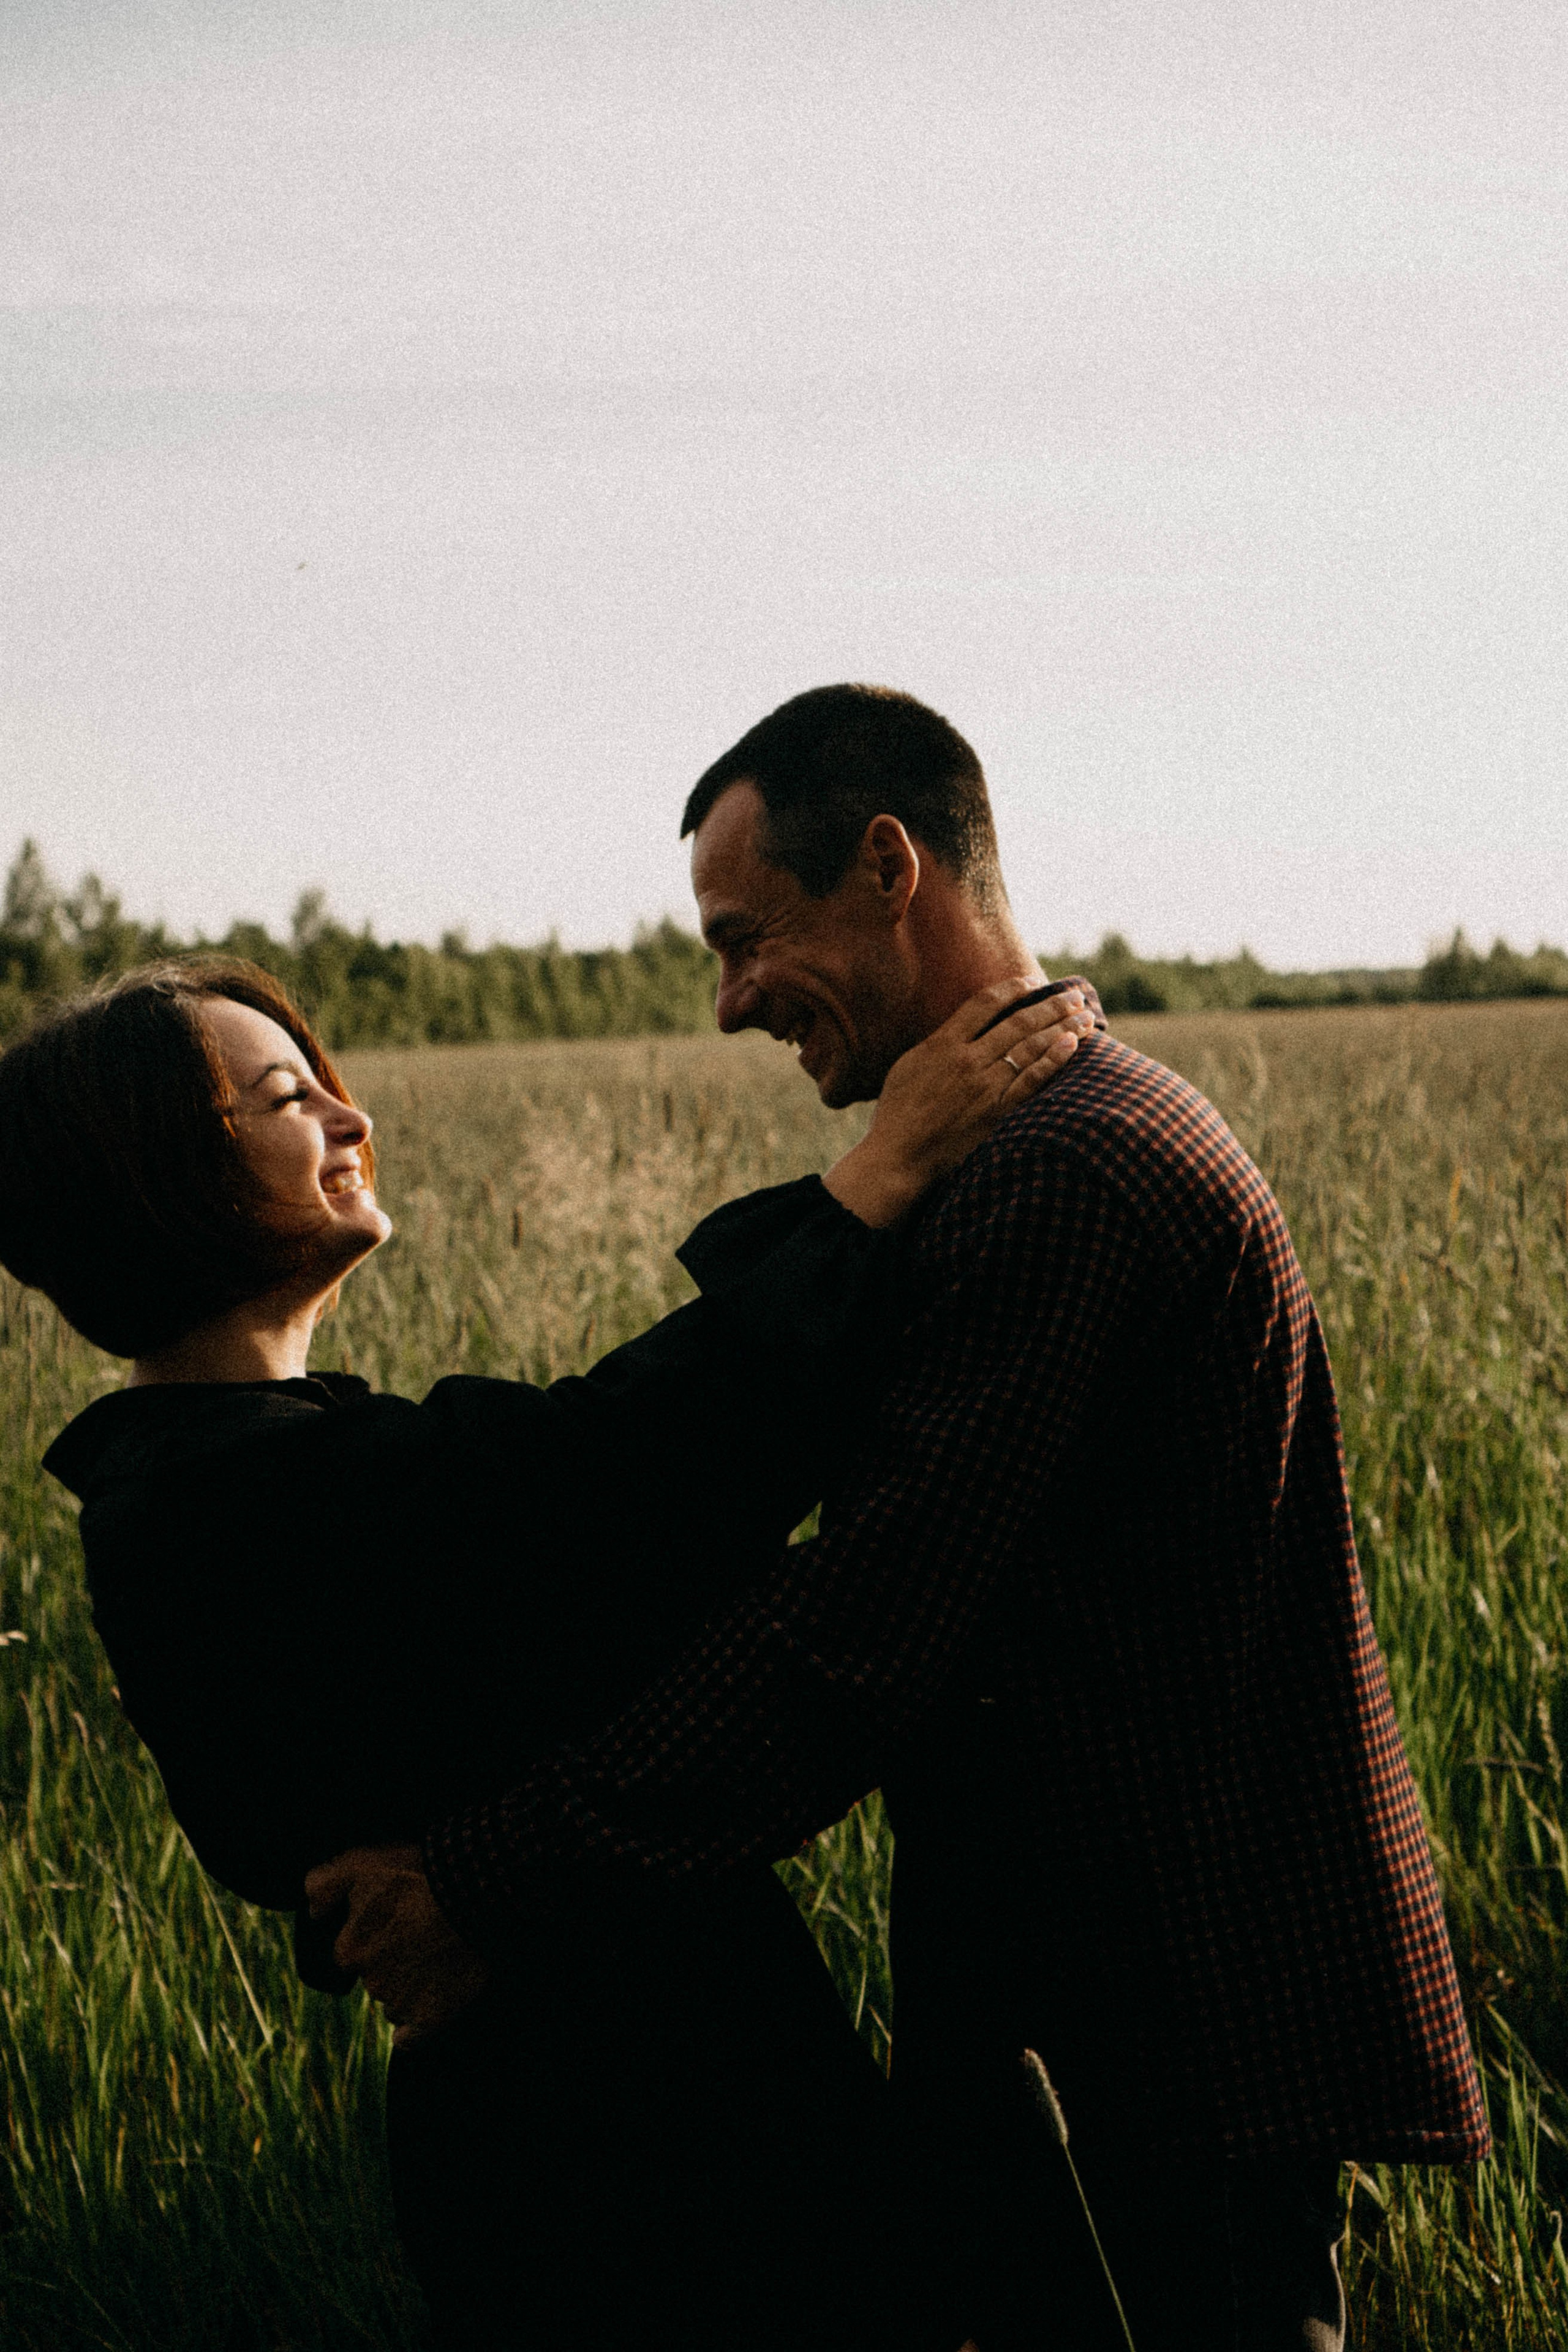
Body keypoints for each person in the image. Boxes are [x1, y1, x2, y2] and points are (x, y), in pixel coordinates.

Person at [315, 685, 1491, 2352]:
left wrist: (485, 1882)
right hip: (1142, 2006)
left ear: (886, 867)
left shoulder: (1059, 1178)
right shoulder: (1037, 1135)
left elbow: (855, 1636)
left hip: (1161, 2028)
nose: (728, 1004)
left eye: (745, 941)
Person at [0, 951, 1092, 2351]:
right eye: (288, 1097)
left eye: (329, 1083)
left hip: (588, 2106)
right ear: (161, 1178)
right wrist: (878, 1178)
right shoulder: (243, 1497)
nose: (349, 1119)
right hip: (619, 2134)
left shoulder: (223, 1477)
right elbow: (618, 1478)